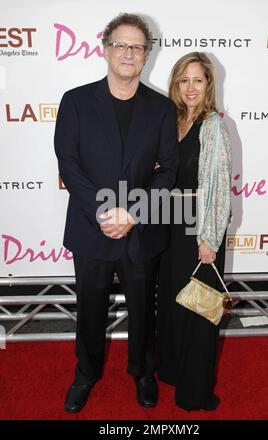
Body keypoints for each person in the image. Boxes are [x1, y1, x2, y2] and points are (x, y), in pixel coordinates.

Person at [54, 13, 178, 413]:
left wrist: (133, 213)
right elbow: (68, 164)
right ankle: (85, 374)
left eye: (137, 47)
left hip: (140, 229)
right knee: (90, 306)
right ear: (105, 49)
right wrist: (107, 212)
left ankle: (142, 372)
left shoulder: (161, 108)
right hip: (93, 226)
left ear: (146, 56)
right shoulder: (75, 101)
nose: (128, 53)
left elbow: (169, 170)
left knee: (143, 308)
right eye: (121, 45)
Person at [157, 52, 232, 411]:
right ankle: (172, 370)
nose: (190, 87)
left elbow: (217, 185)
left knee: (199, 310)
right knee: (174, 304)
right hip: (170, 224)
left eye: (198, 80)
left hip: (199, 226)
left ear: (208, 85)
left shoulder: (213, 125)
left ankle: (194, 392)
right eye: (184, 80)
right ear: (175, 83)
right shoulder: (173, 120)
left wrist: (209, 237)